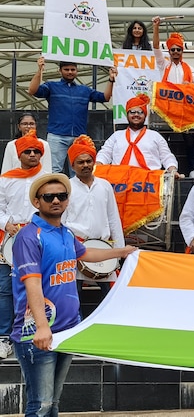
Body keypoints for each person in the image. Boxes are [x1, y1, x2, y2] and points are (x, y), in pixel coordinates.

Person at [11, 173, 135, 417]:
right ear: (37, 202)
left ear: (68, 201)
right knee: (40, 405)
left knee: (53, 404)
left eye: (62, 196)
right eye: (49, 197)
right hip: (38, 334)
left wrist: (123, 252)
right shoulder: (28, 237)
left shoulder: (65, 233)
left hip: (67, 330)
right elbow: (32, 285)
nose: (56, 200)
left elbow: (86, 254)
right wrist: (42, 327)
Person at [0, 130, 46, 359]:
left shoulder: (48, 179)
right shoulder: (6, 179)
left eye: (35, 151)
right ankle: (4, 337)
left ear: (40, 154)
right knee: (5, 290)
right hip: (9, 239)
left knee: (41, 284)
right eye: (27, 151)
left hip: (40, 238)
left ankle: (42, 329)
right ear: (19, 155)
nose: (31, 154)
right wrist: (6, 224)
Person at [62, 135, 124, 306]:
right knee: (73, 298)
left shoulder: (104, 186)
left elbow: (113, 219)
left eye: (89, 161)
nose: (86, 165)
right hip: (76, 249)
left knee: (110, 298)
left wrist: (119, 251)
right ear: (73, 165)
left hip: (103, 249)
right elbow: (62, 221)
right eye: (80, 162)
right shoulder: (66, 186)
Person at [27, 57, 117, 174]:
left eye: (73, 69)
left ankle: (76, 193)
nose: (70, 72)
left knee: (79, 171)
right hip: (57, 136)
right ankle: (55, 192)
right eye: (66, 69)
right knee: (54, 170)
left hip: (78, 138)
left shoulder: (84, 90)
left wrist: (111, 79)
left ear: (77, 71)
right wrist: (39, 70)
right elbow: (32, 90)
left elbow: (105, 97)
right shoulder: (52, 86)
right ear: (60, 71)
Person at [152, 15, 194, 178]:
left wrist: (190, 86)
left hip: (184, 109)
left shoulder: (189, 68)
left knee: (189, 140)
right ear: (169, 51)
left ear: (182, 51)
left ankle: (192, 169)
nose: (175, 52)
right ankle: (162, 168)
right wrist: (156, 27)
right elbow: (156, 47)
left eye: (178, 49)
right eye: (172, 50)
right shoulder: (164, 65)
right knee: (163, 140)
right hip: (166, 108)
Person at [95, 94, 179, 174]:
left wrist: (172, 169)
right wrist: (98, 165)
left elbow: (166, 156)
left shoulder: (155, 136)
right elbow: (105, 153)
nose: (136, 115)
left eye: (140, 112)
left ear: (145, 115)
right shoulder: (116, 136)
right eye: (132, 112)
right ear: (127, 115)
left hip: (148, 181)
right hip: (120, 181)